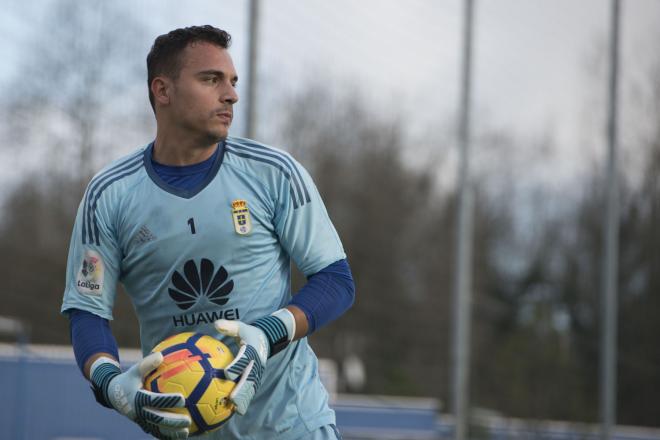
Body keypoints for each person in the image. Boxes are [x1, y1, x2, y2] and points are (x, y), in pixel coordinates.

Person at [61, 25, 355, 440]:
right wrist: (110, 383)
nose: (231, 94)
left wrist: (269, 333)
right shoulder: (109, 196)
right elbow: (87, 311)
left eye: (233, 81)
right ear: (162, 91)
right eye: (211, 79)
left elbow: (335, 280)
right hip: (181, 431)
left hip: (291, 427)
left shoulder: (274, 173)